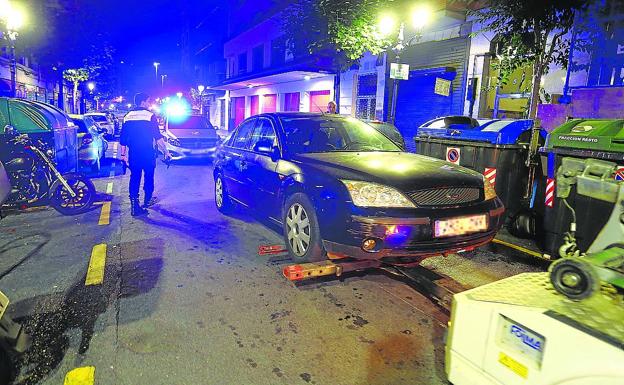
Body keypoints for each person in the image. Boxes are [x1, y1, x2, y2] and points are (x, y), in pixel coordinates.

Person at [119, 93, 171, 216]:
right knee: (149, 176)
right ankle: (147, 200)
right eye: (148, 101)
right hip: (147, 152)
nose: (149, 104)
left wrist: (123, 155)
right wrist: (166, 152)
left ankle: (134, 205)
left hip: (134, 154)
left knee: (135, 177)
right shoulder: (150, 116)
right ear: (143, 102)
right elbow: (157, 137)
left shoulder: (127, 116)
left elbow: (123, 139)